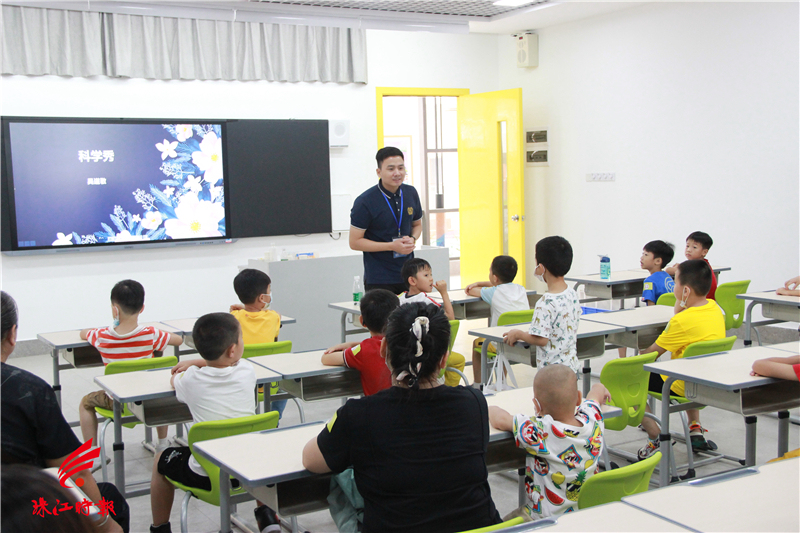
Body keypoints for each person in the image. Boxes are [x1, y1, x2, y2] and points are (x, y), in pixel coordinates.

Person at [302, 303, 502, 533]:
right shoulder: (474, 403)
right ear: (444, 359)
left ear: (383, 349)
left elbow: (311, 460)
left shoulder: (359, 414)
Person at [1, 291, 128, 533]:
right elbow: (74, 472)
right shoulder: (28, 390)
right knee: (111, 499)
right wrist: (106, 525)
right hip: (23, 511)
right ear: (12, 334)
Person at [149, 313, 279, 533]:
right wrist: (199, 362)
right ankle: (267, 517)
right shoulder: (247, 371)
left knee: (160, 458)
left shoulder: (191, 379)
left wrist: (193, 362)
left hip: (208, 478)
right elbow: (230, 363)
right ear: (233, 349)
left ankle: (160, 528)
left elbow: (173, 380)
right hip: (251, 472)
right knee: (253, 450)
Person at [489, 365, 610, 520]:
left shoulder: (540, 430)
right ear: (579, 398)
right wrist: (600, 387)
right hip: (585, 516)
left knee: (499, 526)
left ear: (536, 405)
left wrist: (490, 406)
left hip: (544, 521)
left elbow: (500, 419)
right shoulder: (593, 419)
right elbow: (595, 395)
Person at [78, 280, 182, 455]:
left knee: (85, 403)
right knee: (160, 390)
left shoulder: (101, 336)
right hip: (148, 399)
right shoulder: (151, 334)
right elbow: (178, 340)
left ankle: (91, 454)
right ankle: (162, 444)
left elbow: (83, 333)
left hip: (118, 402)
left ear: (115, 309)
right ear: (142, 308)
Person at [637, 260, 725, 459]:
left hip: (680, 385)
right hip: (709, 382)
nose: (672, 286)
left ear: (685, 290)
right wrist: (682, 301)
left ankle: (656, 436)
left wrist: (641, 351)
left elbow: (651, 354)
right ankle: (695, 426)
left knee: (627, 379)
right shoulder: (715, 309)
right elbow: (680, 310)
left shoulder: (682, 321)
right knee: (690, 364)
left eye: (674, 282)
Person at [350, 147, 423, 294]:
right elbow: (355, 242)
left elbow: (417, 225)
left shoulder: (411, 193)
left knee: (414, 310)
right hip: (379, 278)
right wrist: (391, 246)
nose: (397, 173)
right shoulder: (365, 201)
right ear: (379, 172)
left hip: (409, 276)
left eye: (401, 168)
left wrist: (413, 239)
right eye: (391, 169)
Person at [503, 237, 581, 375]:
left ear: (541, 268)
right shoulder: (572, 294)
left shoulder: (545, 302)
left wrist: (519, 334)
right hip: (571, 368)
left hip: (551, 374)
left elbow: (541, 339)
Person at [229, 268, 286, 417]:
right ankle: (274, 418)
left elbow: (244, 313)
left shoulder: (233, 318)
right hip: (270, 381)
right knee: (285, 386)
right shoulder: (273, 318)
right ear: (262, 298)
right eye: (269, 291)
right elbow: (276, 315)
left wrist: (242, 308)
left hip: (240, 382)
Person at [399, 258, 465, 386]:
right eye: (426, 275)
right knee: (459, 360)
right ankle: (449, 389)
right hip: (428, 354)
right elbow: (450, 318)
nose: (431, 279)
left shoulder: (399, 299)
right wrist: (444, 293)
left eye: (431, 274)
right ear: (412, 280)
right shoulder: (426, 301)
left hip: (403, 353)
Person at [465, 255, 530, 383]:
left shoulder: (493, 292)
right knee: (502, 341)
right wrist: (482, 283)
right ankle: (501, 381)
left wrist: (477, 284)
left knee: (477, 343)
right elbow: (500, 284)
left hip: (502, 344)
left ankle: (478, 384)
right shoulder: (521, 289)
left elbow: (471, 291)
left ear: (494, 277)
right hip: (521, 341)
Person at [322, 289, 399, 396]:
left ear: (362, 321)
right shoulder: (407, 341)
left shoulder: (363, 350)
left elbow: (326, 359)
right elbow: (380, 344)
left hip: (377, 405)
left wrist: (347, 346)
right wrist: (353, 345)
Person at [619, 240, 675, 357]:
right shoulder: (667, 276)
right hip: (670, 319)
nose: (642, 258)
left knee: (621, 323)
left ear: (658, 261)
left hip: (656, 322)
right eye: (642, 254)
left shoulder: (649, 281)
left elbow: (651, 308)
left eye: (646, 255)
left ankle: (622, 359)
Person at [665, 231, 717, 300]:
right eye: (687, 246)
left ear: (704, 252)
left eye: (694, 247)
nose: (689, 250)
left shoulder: (695, 266)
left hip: (700, 301)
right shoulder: (704, 264)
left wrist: (678, 268)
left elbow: (668, 270)